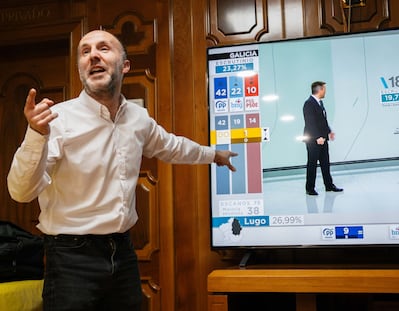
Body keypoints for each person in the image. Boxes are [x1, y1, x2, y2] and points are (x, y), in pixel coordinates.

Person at [7, 30, 237, 311]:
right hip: (70, 258)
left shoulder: (138, 119)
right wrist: (35, 135)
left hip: (124, 253)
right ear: (80, 68)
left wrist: (215, 155)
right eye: (85, 51)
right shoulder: (57, 120)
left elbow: (172, 146)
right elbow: (21, 192)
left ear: (124, 65)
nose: (93, 55)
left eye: (103, 48)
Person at [302, 81, 343, 196]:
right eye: (324, 89)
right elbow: (310, 123)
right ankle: (310, 188)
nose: (325, 91)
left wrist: (329, 131)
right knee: (312, 164)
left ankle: (329, 185)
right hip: (313, 140)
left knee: (325, 163)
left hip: (323, 138)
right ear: (319, 90)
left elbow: (322, 120)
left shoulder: (320, 103)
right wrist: (317, 137)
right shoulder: (309, 103)